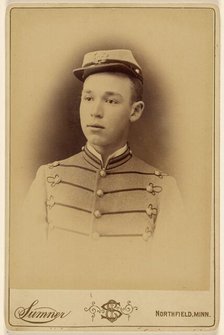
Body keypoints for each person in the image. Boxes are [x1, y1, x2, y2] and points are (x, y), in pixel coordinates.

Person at [12, 49, 190, 290]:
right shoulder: (48, 179)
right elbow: (27, 272)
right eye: (88, 98)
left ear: (135, 111)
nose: (95, 111)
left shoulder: (163, 189)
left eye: (111, 100)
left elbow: (170, 279)